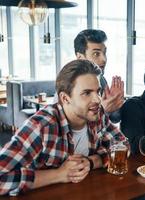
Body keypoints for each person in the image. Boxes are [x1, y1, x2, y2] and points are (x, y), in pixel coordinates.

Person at [0, 60, 128, 196]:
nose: (97, 99)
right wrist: (59, 174)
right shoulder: (42, 126)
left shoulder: (96, 114)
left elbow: (123, 144)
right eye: (87, 93)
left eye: (98, 91)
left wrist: (92, 161)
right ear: (65, 98)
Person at [55, 29, 123, 122]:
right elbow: (68, 127)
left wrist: (116, 103)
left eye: (104, 53)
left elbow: (114, 119)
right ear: (80, 57)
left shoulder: (101, 80)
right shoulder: (67, 83)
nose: (104, 59)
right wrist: (103, 109)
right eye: (96, 54)